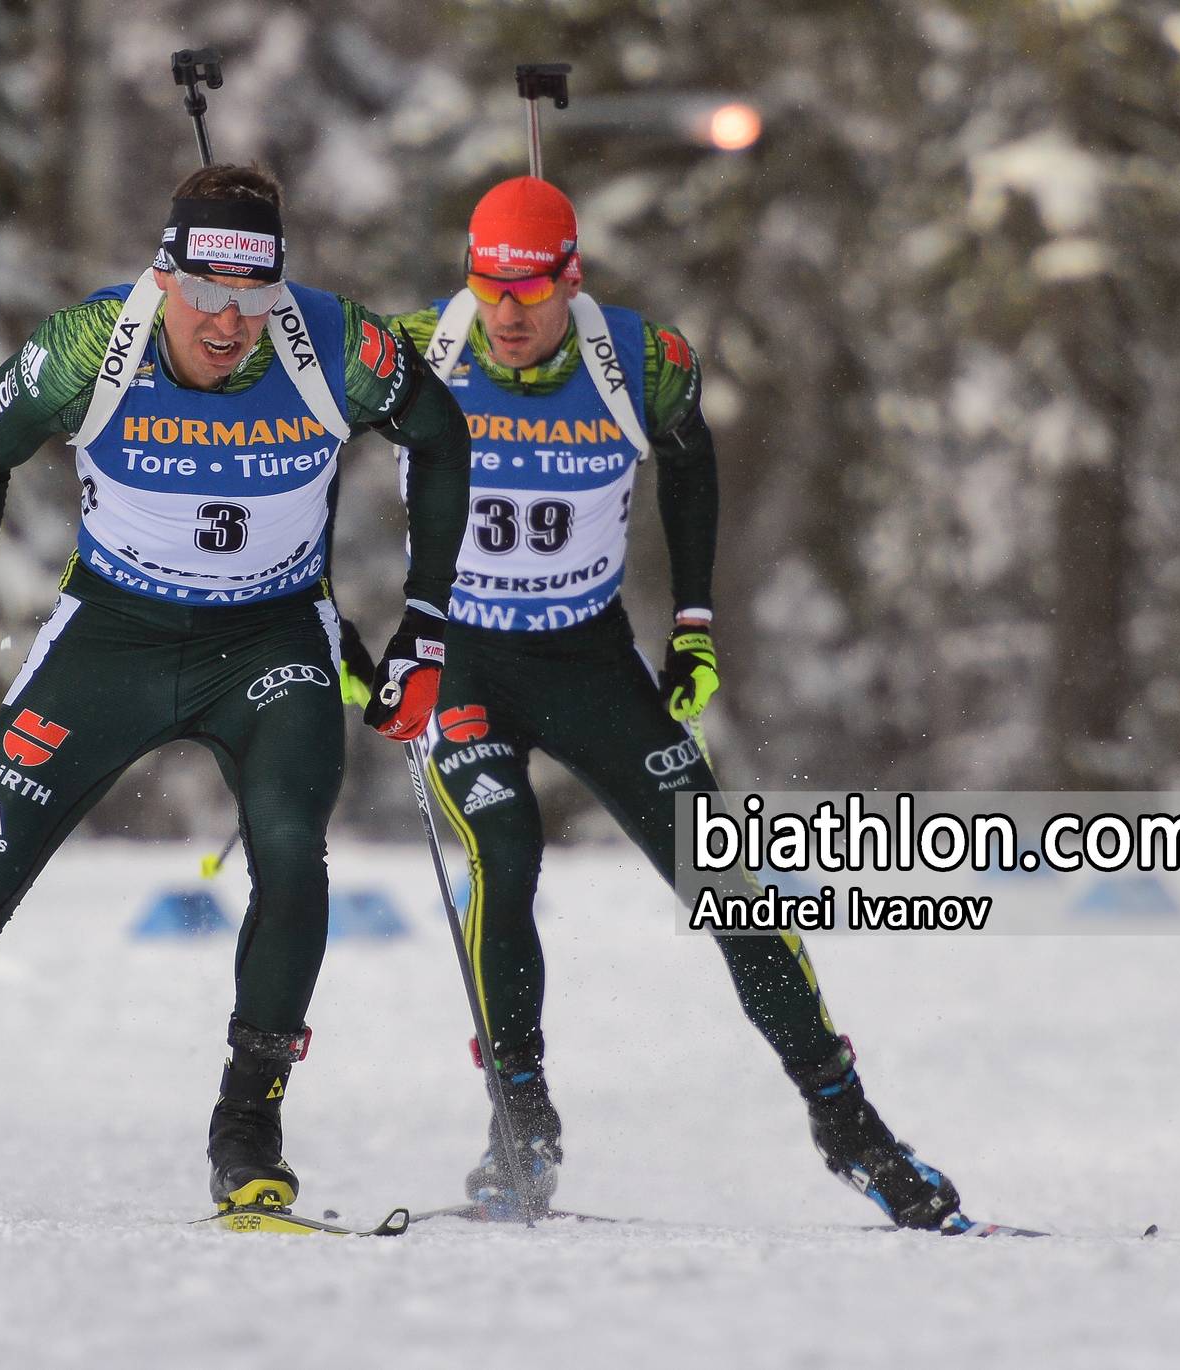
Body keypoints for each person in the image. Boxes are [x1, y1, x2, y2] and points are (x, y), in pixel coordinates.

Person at [0, 164, 469, 1214]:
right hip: (114, 633)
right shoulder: (89, 346)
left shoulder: (336, 343)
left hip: (268, 639)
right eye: (207, 295)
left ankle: (249, 1123)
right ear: (165, 272)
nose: (231, 325)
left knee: (289, 848)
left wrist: (426, 622)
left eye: (254, 297)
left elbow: (442, 431)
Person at [381, 176, 962, 1229]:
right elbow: (288, 443)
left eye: (528, 291)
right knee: (502, 848)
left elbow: (692, 471)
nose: (505, 314)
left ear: (572, 276)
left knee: (724, 873)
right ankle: (521, 1123)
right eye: (487, 286)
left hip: (587, 658)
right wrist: (334, 631)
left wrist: (692, 620)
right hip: (463, 662)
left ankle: (850, 1124)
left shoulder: (641, 362)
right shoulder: (418, 351)